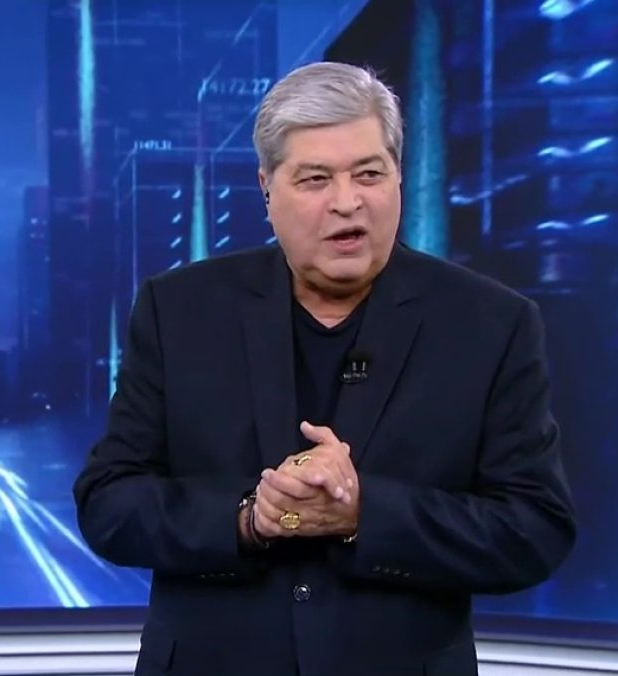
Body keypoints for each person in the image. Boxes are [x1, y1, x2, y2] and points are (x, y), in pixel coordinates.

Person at [73, 61, 576, 676]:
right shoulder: (178, 311)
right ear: (266, 188)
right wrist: (249, 516)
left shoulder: (491, 324)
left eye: (370, 173)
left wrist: (365, 514)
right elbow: (108, 502)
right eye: (315, 179)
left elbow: (535, 529)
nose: (347, 202)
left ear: (398, 176)